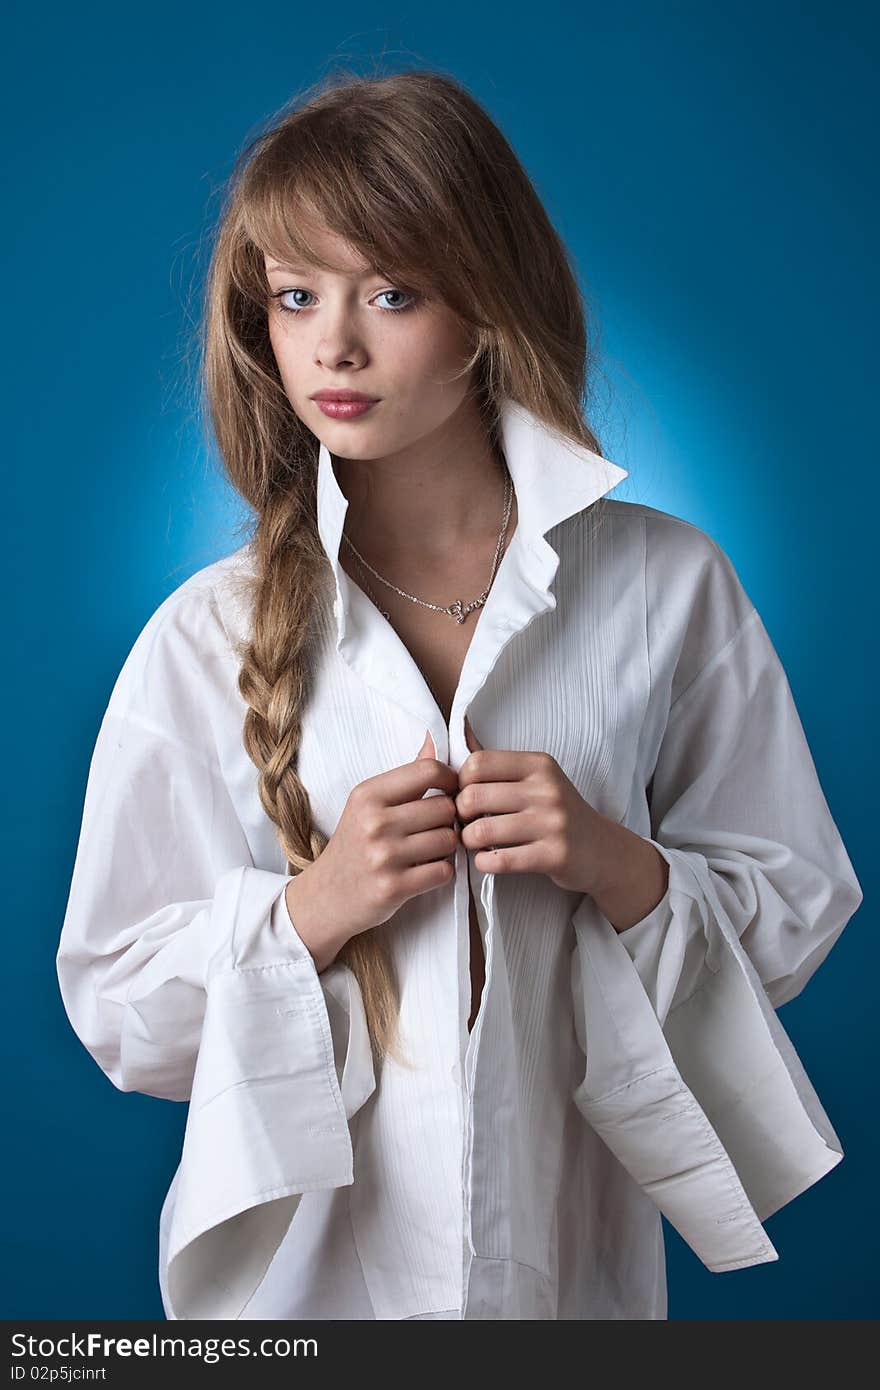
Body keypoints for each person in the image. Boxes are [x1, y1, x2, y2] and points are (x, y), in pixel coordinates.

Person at [55, 68, 863, 1321]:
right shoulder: (206, 634)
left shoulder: (665, 585)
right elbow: (123, 1008)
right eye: (295, 296)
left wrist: (616, 862)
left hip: (572, 1285)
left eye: (391, 292)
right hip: (303, 1306)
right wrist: (312, 910)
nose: (333, 344)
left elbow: (795, 912)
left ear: (483, 308)